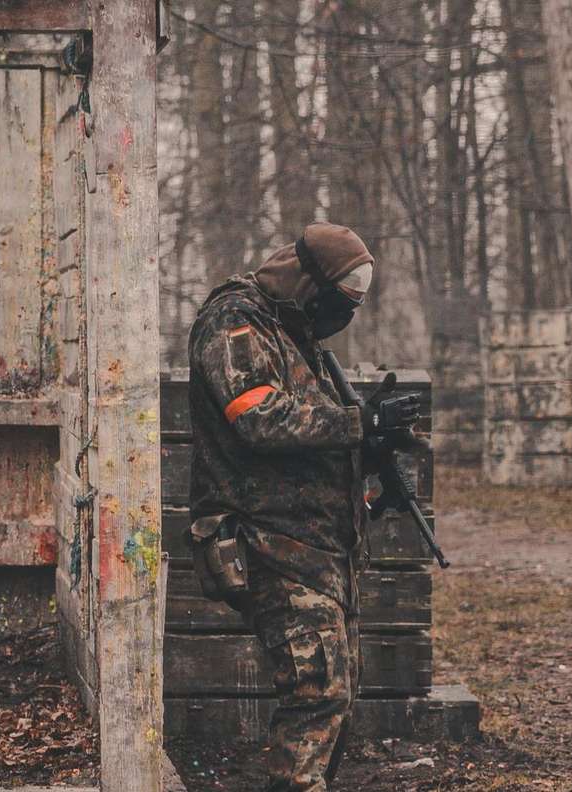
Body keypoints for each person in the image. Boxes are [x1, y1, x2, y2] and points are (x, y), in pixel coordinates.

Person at [185, 222, 419, 792]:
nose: (345, 314)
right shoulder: (235, 321)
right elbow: (259, 419)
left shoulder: (296, 337)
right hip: (269, 542)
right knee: (317, 691)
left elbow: (311, 453)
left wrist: (372, 482)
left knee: (337, 697)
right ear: (309, 283)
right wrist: (361, 422)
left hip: (319, 552)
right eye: (341, 299)